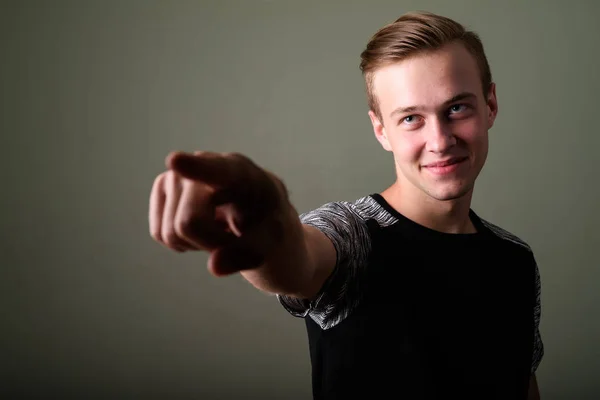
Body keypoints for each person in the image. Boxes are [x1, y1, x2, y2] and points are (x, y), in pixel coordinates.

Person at [148, 11, 543, 399]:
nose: (439, 140)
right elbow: (298, 258)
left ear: (490, 105)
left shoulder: (516, 261)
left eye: (456, 108)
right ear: (381, 130)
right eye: (410, 118)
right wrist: (264, 225)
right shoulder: (353, 234)